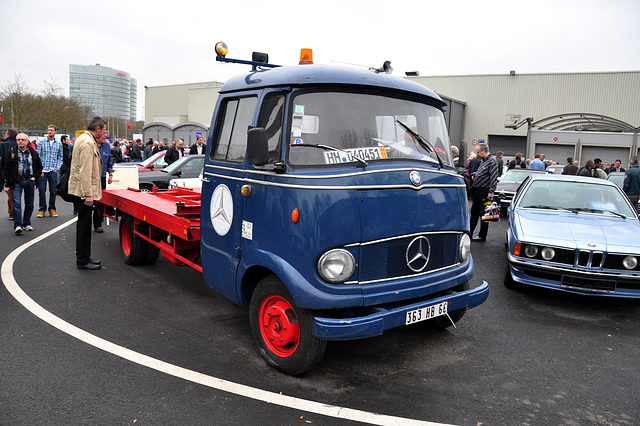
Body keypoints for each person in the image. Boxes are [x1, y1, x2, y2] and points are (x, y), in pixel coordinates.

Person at [68, 117, 107, 270]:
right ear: (97, 128)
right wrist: (88, 194)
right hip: (84, 192)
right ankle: (83, 260)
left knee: (84, 225)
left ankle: (84, 258)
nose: (105, 133)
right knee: (84, 226)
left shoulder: (84, 139)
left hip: (82, 190)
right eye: (104, 130)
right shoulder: (88, 142)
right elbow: (85, 171)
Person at [3, 133, 42, 233]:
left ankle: (26, 223)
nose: (20, 141)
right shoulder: (11, 152)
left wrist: (35, 177)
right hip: (16, 181)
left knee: (29, 204)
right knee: (16, 204)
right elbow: (6, 168)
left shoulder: (32, 152)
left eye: (22, 140)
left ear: (27, 141)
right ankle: (17, 225)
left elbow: (39, 166)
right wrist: (7, 184)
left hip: (29, 179)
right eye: (18, 139)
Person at [469, 144, 499, 242]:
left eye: (478, 152)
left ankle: (482, 236)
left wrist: (491, 191)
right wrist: (474, 175)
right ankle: (469, 233)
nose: (477, 154)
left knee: (484, 214)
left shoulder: (492, 161)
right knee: (474, 213)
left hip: (484, 190)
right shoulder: (484, 161)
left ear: (483, 151)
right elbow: (481, 173)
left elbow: (493, 177)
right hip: (477, 190)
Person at [36, 124, 63, 218]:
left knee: (53, 190)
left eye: (51, 130)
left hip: (53, 169)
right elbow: (37, 156)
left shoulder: (59, 144)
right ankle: (42, 209)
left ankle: (52, 208)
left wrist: (57, 168)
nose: (49, 131)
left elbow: (60, 157)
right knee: (42, 190)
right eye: (48, 130)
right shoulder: (41, 142)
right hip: (43, 169)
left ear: (55, 131)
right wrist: (39, 169)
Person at [93, 138, 114, 233]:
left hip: (102, 178)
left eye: (106, 133)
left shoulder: (106, 146)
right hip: (90, 178)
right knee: (87, 201)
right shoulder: (91, 144)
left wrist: (111, 174)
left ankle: (98, 224)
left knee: (100, 201)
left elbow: (109, 161)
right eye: (103, 133)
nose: (104, 136)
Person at [1, 128, 18, 220]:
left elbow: (2, 159)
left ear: (7, 135)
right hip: (18, 172)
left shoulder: (3, 145)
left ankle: (11, 211)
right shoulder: (18, 144)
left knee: (10, 193)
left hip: (7, 171)